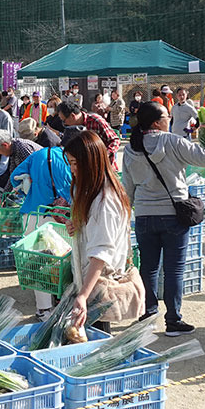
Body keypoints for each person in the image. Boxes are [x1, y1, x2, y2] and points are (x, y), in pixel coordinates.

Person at [122, 102, 205, 336]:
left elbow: (127, 188)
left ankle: (148, 314)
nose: (170, 119)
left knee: (148, 268)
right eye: (167, 116)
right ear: (157, 122)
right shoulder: (172, 141)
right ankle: (173, 320)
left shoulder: (131, 148)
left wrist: (128, 213)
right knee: (174, 270)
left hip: (145, 215)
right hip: (174, 214)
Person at [64, 130, 144, 333]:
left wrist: (82, 295)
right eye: (70, 163)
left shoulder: (104, 201)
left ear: (90, 162)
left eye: (75, 163)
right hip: (92, 283)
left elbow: (100, 254)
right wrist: (77, 224)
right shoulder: (90, 191)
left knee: (97, 337)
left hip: (97, 286)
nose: (72, 170)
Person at [11, 140, 74, 319]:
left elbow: (15, 176)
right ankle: (64, 306)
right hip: (62, 215)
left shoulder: (36, 156)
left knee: (38, 264)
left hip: (33, 213)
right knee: (65, 262)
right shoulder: (69, 158)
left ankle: (44, 309)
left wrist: (29, 187)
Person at [56, 100, 121, 168]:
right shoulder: (72, 129)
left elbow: (115, 140)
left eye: (64, 121)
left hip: (103, 167)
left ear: (73, 116)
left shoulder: (96, 121)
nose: (64, 124)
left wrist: (105, 154)